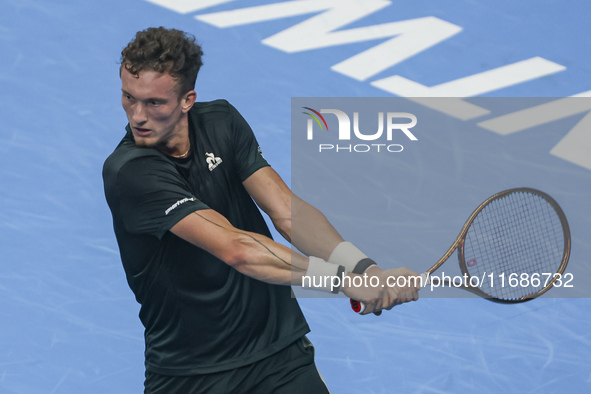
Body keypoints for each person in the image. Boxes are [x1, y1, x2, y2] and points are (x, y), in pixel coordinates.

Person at [102, 27, 420, 393]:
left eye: (154, 103)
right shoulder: (131, 171)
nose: (137, 115)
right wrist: (345, 280)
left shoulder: (222, 122)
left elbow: (286, 211)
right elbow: (236, 249)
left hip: (279, 354)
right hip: (192, 374)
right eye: (129, 97)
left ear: (187, 99)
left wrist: (365, 268)